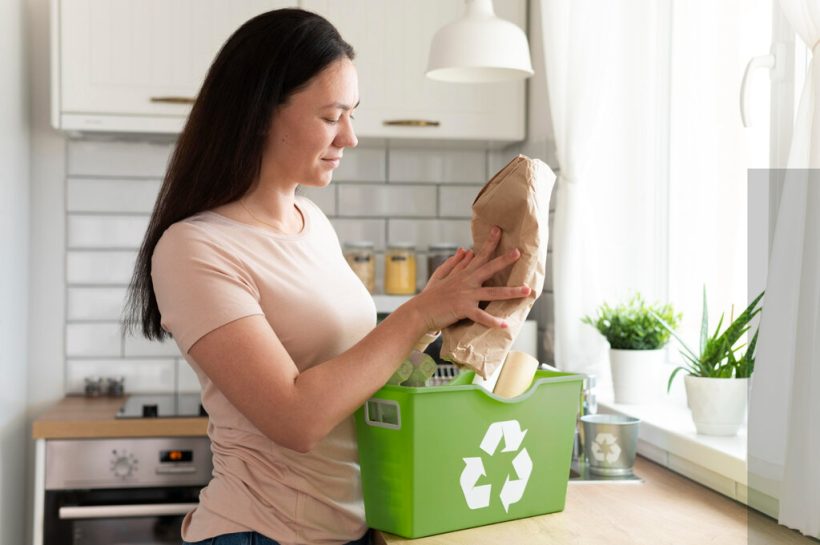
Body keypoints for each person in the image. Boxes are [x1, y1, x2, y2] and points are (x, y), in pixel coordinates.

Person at [125, 8, 531, 545]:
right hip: (260, 533)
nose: (350, 137)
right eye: (331, 115)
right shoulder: (194, 248)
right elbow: (295, 418)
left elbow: (352, 371)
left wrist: (436, 316)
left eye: (352, 114)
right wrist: (415, 314)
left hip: (354, 528)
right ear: (261, 113)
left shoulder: (311, 222)